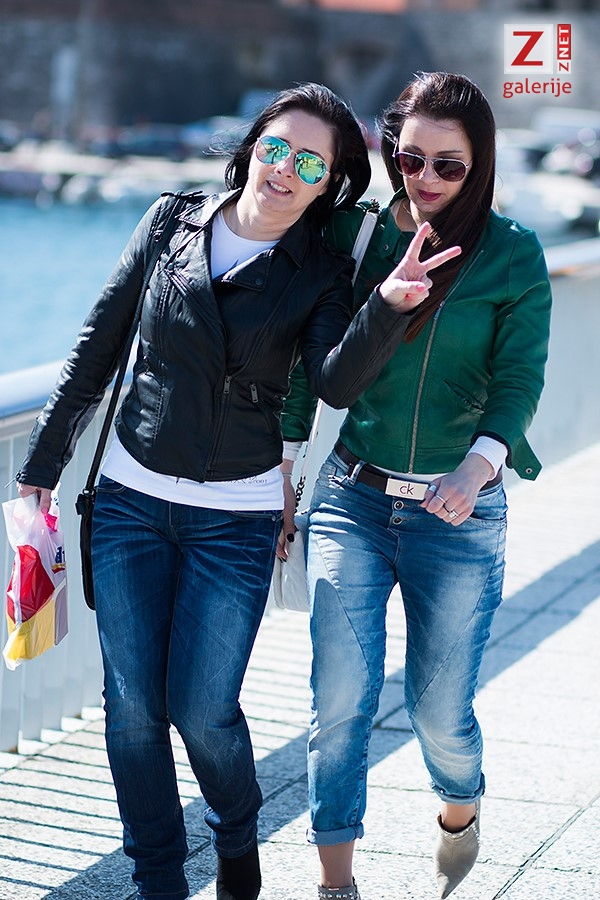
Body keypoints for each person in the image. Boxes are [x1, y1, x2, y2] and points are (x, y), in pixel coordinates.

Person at [14, 83, 458, 900]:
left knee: (203, 709)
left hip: (237, 517)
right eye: (277, 149)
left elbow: (333, 382)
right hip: (130, 501)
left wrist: (387, 309)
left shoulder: (320, 274)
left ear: (329, 185)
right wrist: (37, 472)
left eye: (310, 165)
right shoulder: (169, 223)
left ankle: (236, 834)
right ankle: (158, 879)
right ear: (253, 147)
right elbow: (96, 348)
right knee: (131, 708)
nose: (285, 170)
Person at [280, 72, 552, 900]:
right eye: (411, 159)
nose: (426, 179)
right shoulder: (356, 237)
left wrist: (480, 463)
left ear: (481, 165)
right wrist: (283, 478)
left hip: (457, 514)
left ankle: (460, 807)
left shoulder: (513, 253)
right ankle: (336, 882)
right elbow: (307, 366)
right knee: (339, 700)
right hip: (353, 498)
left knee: (440, 713)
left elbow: (519, 377)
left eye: (449, 166)